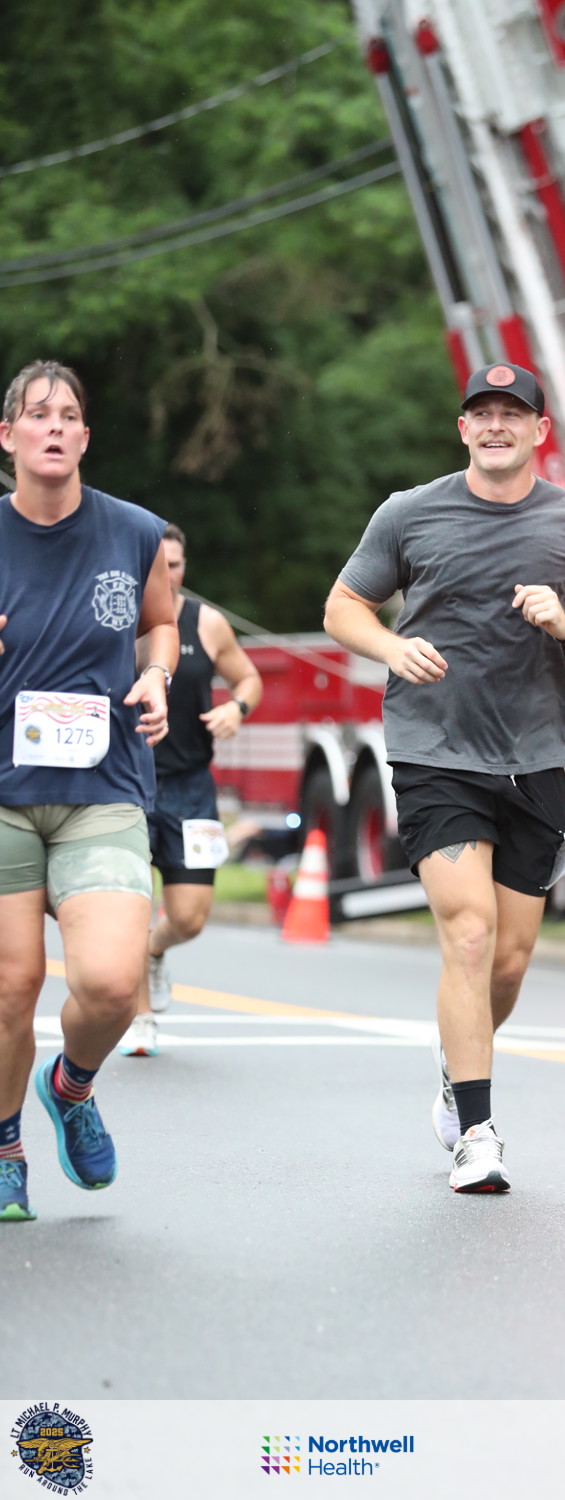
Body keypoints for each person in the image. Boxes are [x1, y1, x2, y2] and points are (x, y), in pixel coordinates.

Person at [323, 363, 565, 1192]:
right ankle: (476, 1132)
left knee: (508, 961)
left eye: (513, 413)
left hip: (532, 758)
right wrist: (391, 647)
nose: (497, 426)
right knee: (468, 933)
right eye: (482, 414)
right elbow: (342, 608)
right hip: (433, 749)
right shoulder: (409, 513)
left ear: (540, 431)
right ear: (463, 428)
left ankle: (456, 1062)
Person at [0, 359, 177, 1221]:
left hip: (101, 787)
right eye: (39, 415)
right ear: (9, 436)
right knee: (13, 987)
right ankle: (5, 1148)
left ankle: (71, 1086)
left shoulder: (133, 531)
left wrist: (156, 675)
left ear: (85, 437)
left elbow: (161, 623)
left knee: (110, 983)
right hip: (2, 794)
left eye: (69, 415)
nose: (55, 427)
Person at [118, 524, 262, 1057]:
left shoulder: (207, 622)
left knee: (189, 917)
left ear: (183, 568)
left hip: (192, 787)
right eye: (158, 563)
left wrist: (236, 708)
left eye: (175, 564)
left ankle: (155, 952)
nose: (168, 573)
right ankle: (140, 1018)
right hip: (126, 784)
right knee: (132, 908)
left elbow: (249, 679)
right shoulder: (117, 619)